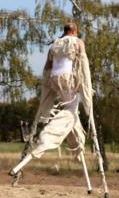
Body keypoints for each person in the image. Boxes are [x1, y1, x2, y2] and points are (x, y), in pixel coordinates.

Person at [10, 24, 92, 183]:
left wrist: (47, 92)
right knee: (71, 111)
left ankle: (77, 148)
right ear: (75, 32)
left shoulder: (55, 44)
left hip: (55, 80)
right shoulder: (77, 42)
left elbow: (47, 69)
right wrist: (87, 94)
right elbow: (84, 65)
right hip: (68, 81)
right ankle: (49, 140)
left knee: (72, 115)